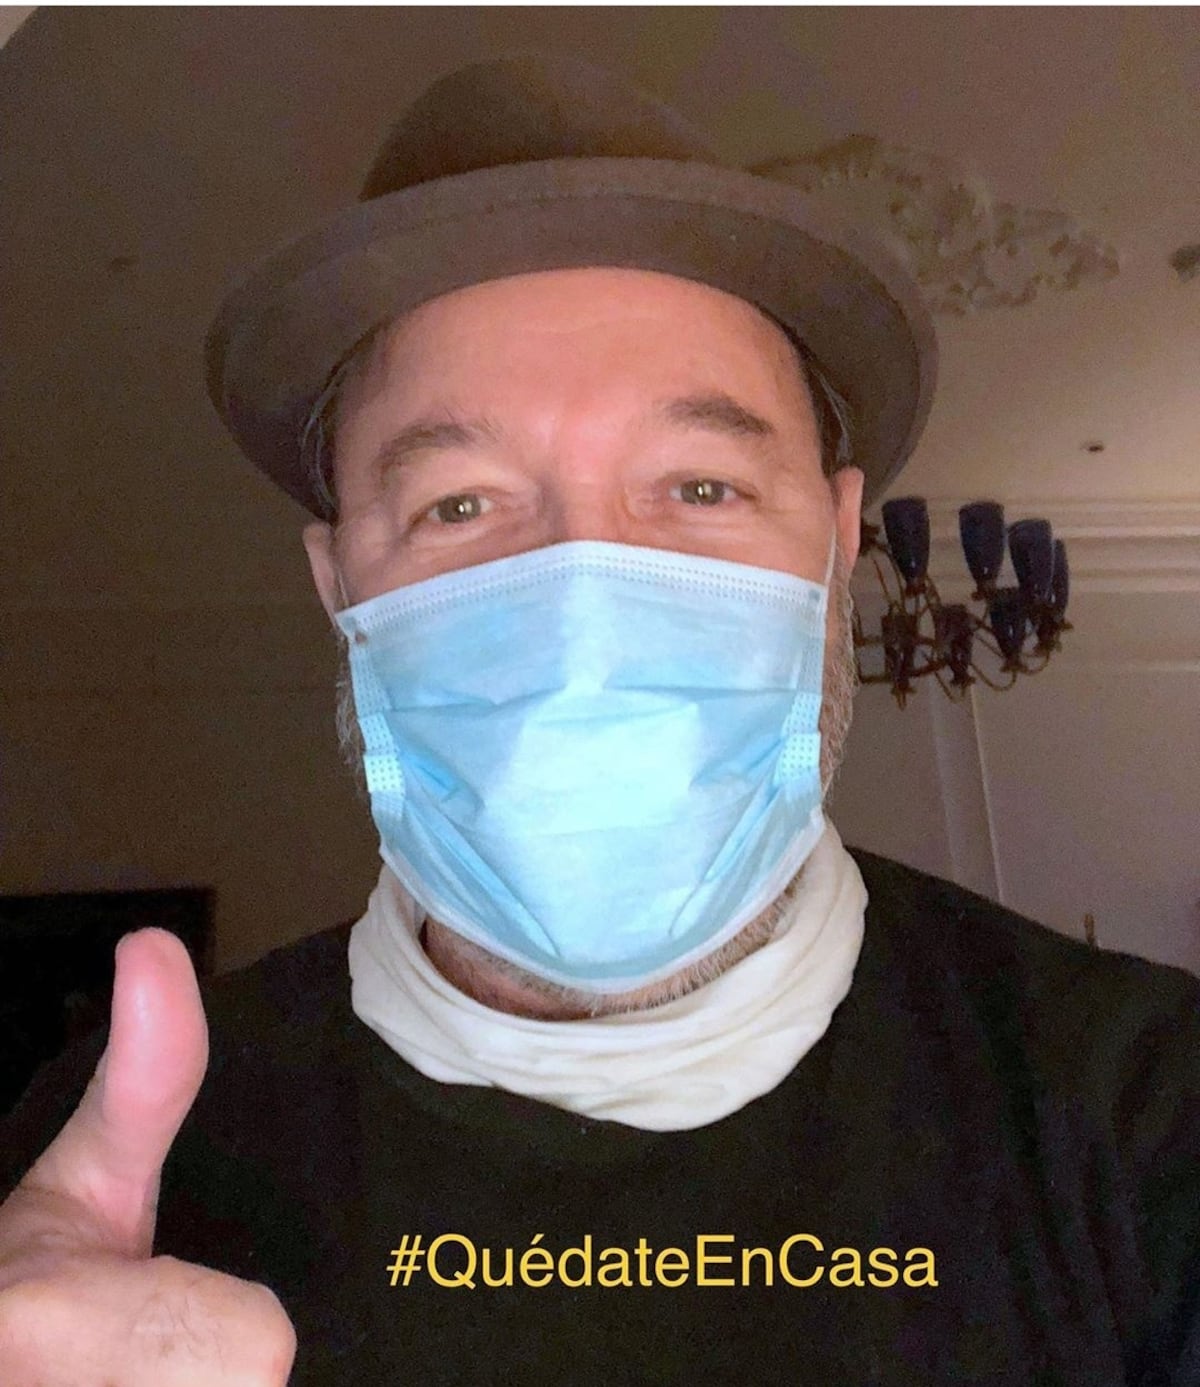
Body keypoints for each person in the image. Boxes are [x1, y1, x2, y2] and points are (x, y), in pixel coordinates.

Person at [1, 55, 1197, 1387]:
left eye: (700, 486)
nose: (586, 609)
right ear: (339, 589)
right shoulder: (94, 1191)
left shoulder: (1145, 1105)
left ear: (839, 539)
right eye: (459, 505)